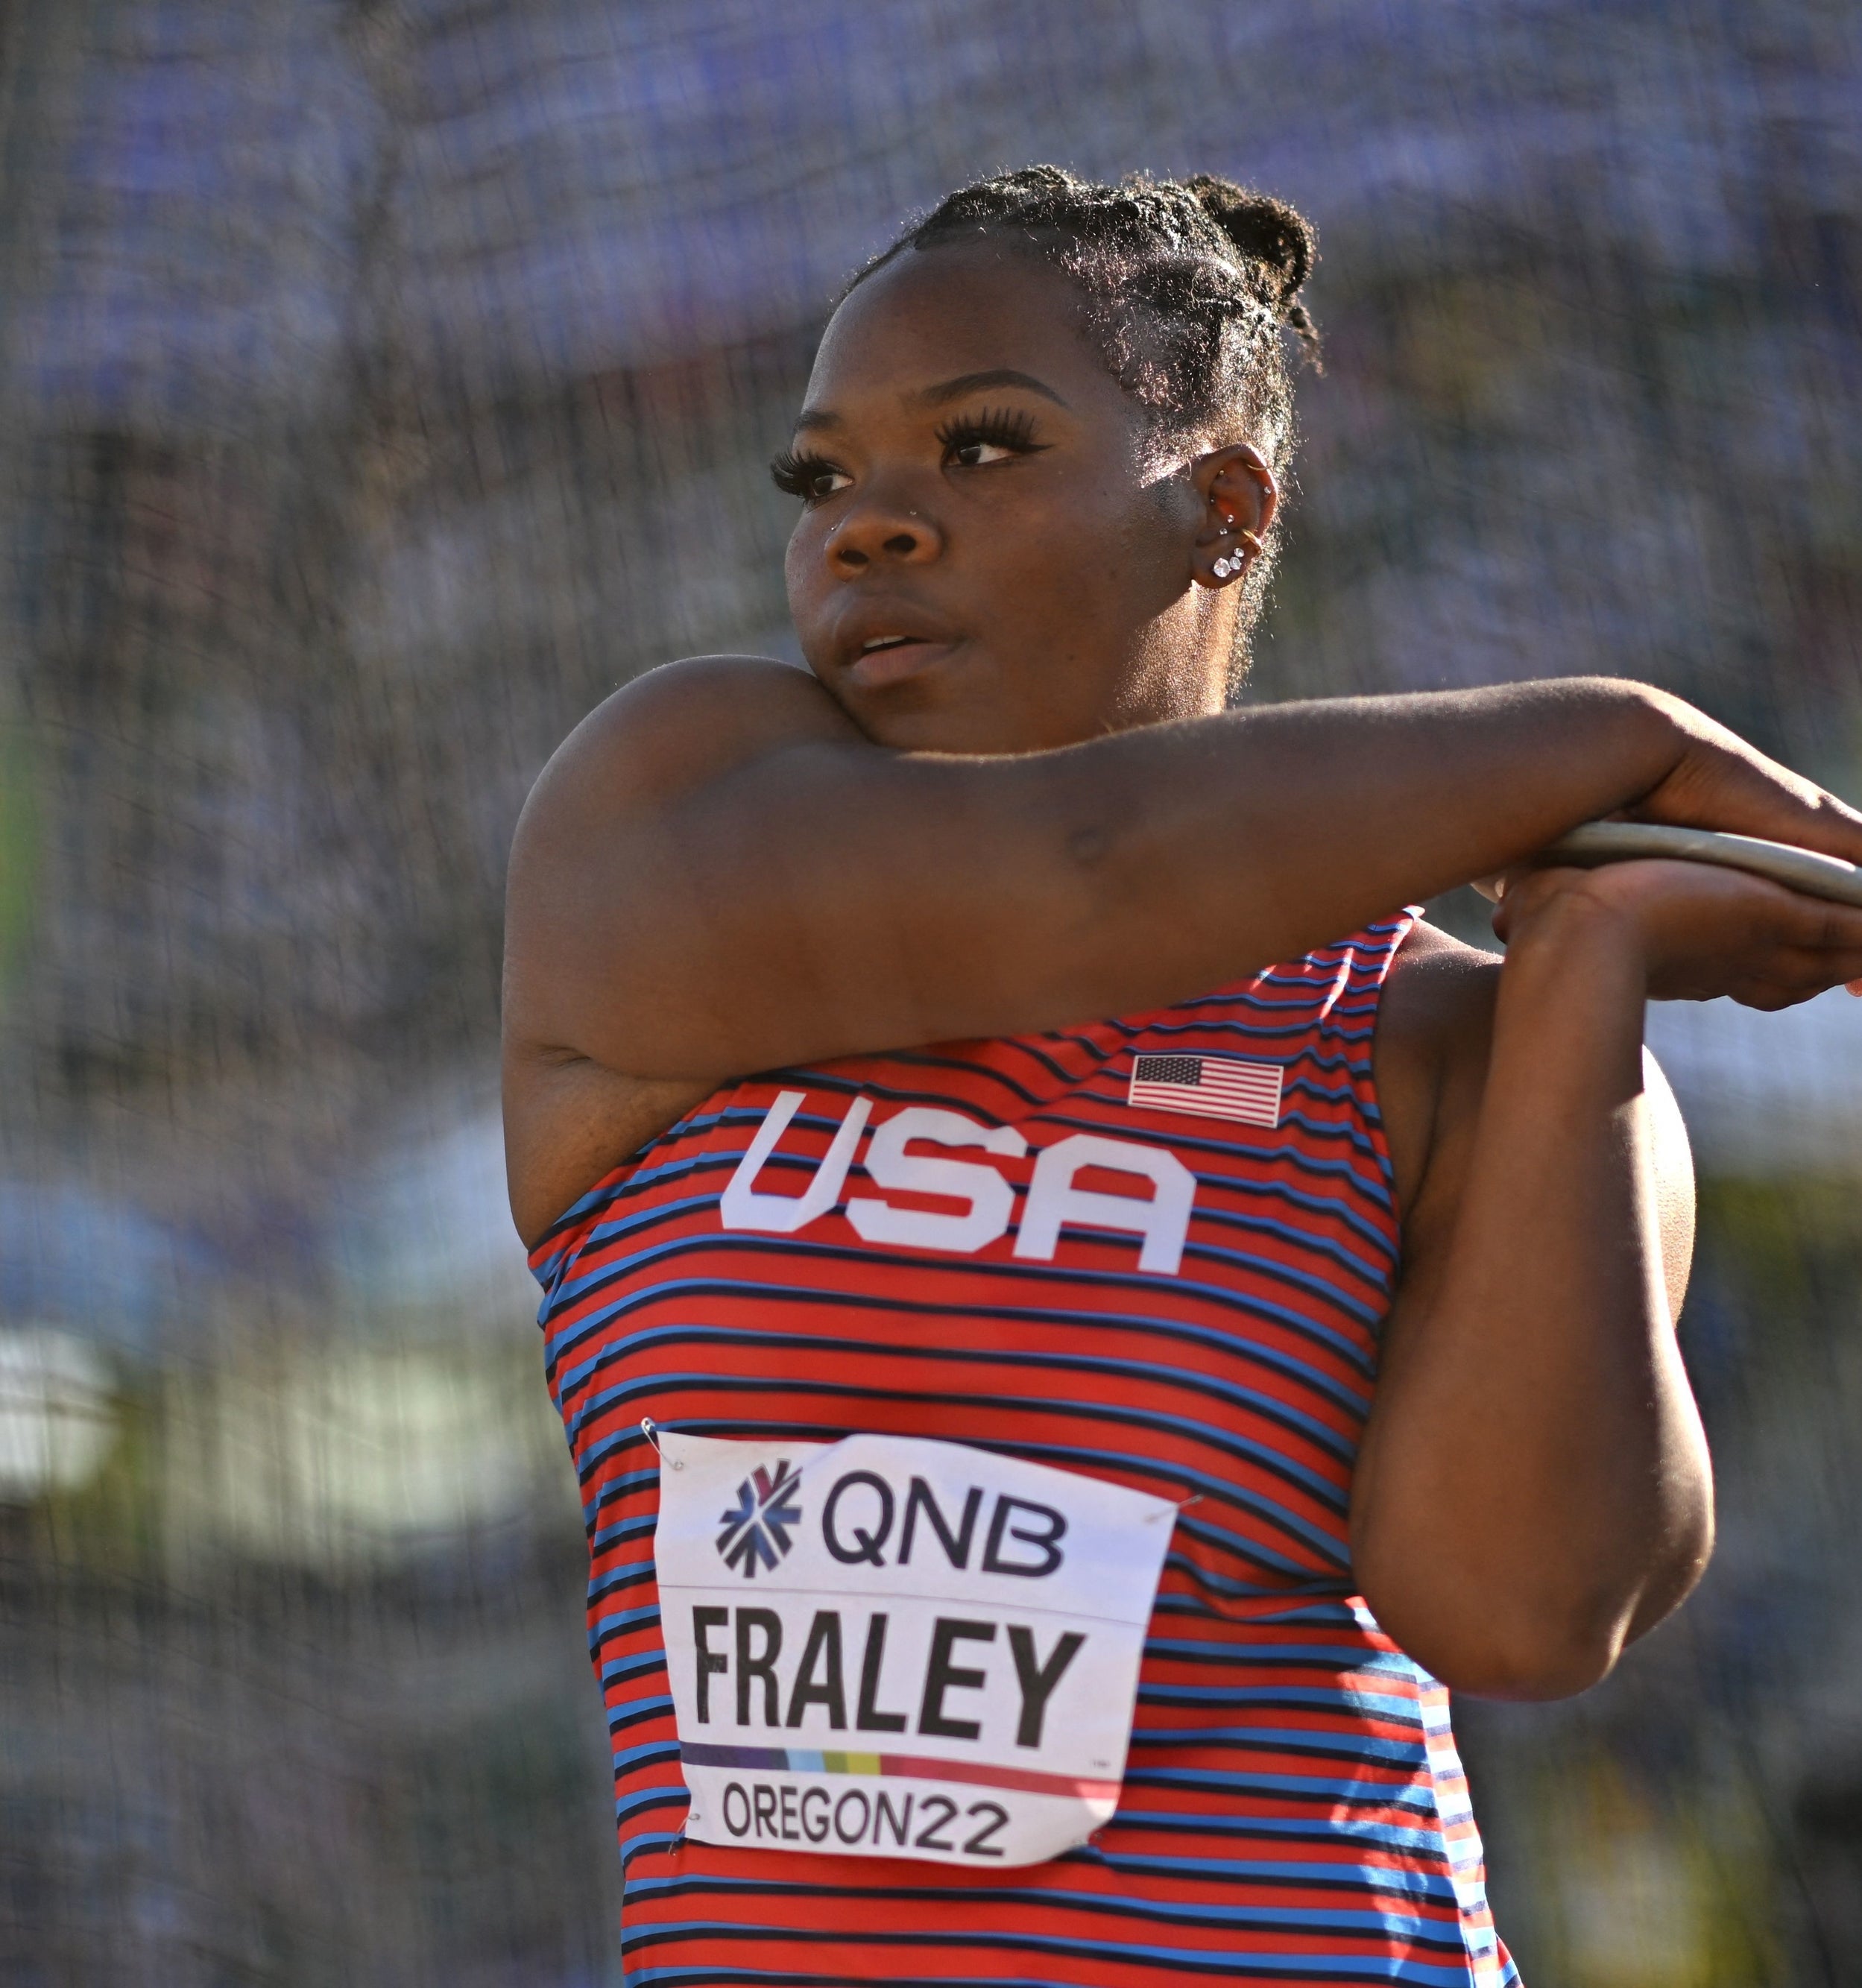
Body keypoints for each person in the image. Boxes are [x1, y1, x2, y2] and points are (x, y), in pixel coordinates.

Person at [502, 167, 1862, 1985]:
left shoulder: (1429, 1035)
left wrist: (1584, 971)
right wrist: (1623, 737)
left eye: (980, 448)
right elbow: (1085, 879)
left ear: (1223, 511)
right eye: (821, 478)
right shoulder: (664, 811)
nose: (866, 527)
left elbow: (1525, 1609)